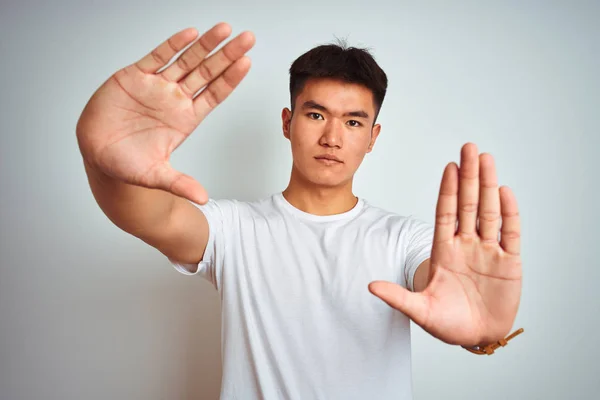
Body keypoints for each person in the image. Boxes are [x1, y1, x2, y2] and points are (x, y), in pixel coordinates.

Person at [76, 22, 523, 400]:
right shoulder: (236, 229)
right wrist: (103, 162)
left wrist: (481, 331)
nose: (333, 137)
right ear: (288, 122)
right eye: (316, 115)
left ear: (373, 136)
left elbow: (440, 285)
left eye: (353, 122)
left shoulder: (405, 239)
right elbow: (152, 216)